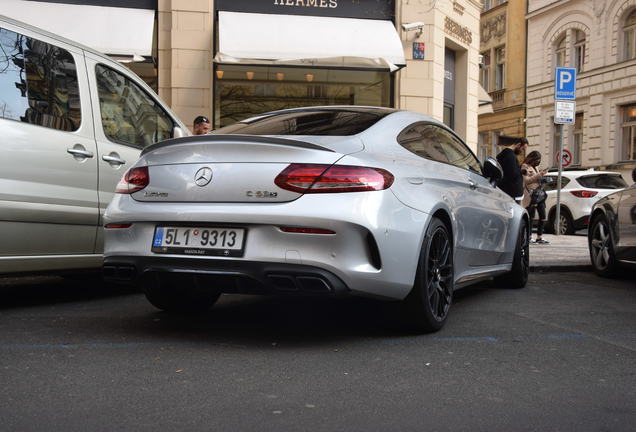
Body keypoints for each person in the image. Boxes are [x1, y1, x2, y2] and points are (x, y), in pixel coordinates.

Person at [522, 151, 550, 244]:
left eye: (539, 160)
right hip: (531, 195)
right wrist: (540, 175)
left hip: (540, 194)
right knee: (531, 216)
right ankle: (529, 237)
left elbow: (536, 179)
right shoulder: (525, 166)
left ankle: (539, 237)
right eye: (537, 160)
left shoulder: (536, 167)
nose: (538, 162)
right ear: (532, 159)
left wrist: (543, 179)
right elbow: (527, 181)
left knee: (543, 216)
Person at [496, 135, 529, 203]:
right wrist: (523, 171)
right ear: (518, 145)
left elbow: (510, 170)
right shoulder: (510, 156)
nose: (522, 152)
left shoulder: (508, 154)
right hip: (511, 195)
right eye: (523, 149)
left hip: (510, 193)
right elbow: (512, 173)